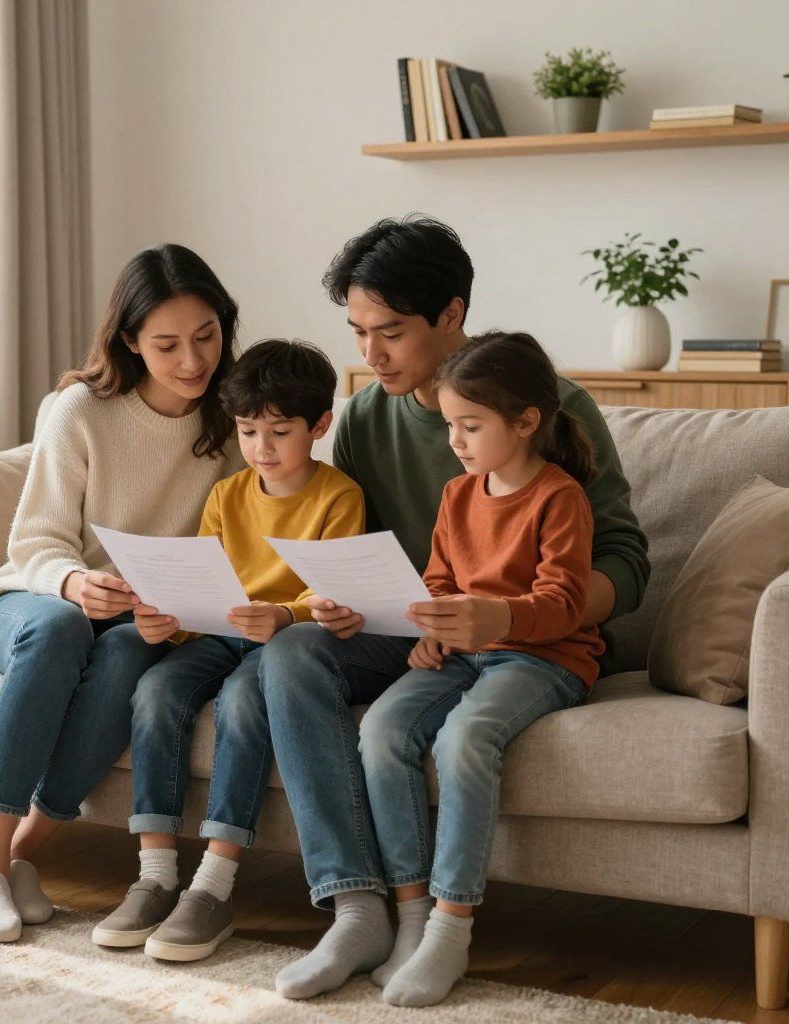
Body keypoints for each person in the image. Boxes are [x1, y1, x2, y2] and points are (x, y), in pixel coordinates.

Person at [262, 215, 650, 1000]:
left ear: (451, 315)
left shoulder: (546, 404)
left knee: (452, 724)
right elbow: (366, 546)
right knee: (291, 652)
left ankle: (442, 925)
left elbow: (625, 565)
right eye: (357, 332)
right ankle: (357, 904)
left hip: (531, 637)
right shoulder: (368, 417)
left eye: (391, 333)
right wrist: (335, 600)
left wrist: (511, 619)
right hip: (421, 630)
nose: (369, 357)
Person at [0, 244, 246, 943]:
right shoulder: (81, 409)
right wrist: (74, 582)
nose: (193, 361)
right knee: (59, 629)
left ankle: (25, 854)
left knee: (125, 655)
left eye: (206, 336)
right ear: (129, 341)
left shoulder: (234, 419)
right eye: (168, 344)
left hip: (145, 619)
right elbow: (34, 543)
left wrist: (177, 603)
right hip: (34, 602)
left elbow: (240, 542)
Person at [91, 338, 364, 962]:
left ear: (320, 425)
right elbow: (202, 584)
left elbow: (333, 588)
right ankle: (155, 876)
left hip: (283, 642)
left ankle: (213, 889)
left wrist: (285, 614)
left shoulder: (339, 496)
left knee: (244, 704)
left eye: (279, 432)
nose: (261, 449)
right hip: (219, 632)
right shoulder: (227, 495)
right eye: (247, 431)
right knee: (155, 689)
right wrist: (168, 623)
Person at [360, 330, 603, 1006]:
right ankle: (410, 912)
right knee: (381, 730)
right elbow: (440, 580)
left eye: (471, 425)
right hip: (464, 654)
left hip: (545, 658)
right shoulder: (457, 496)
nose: (457, 441)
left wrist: (499, 620)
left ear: (526, 422)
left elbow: (565, 604)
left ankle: (450, 925)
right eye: (450, 426)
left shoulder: (561, 499)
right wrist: (431, 631)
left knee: (466, 738)